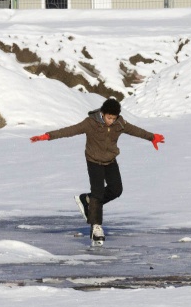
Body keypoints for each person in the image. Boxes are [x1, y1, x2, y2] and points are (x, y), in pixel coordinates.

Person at [30, 98, 165, 246]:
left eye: (114, 118)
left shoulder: (120, 124)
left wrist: (152, 137)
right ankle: (96, 227)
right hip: (94, 161)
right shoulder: (90, 123)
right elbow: (70, 130)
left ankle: (87, 200)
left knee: (116, 190)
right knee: (98, 193)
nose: (111, 121)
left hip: (110, 161)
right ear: (103, 113)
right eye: (109, 118)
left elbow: (136, 131)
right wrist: (48, 136)